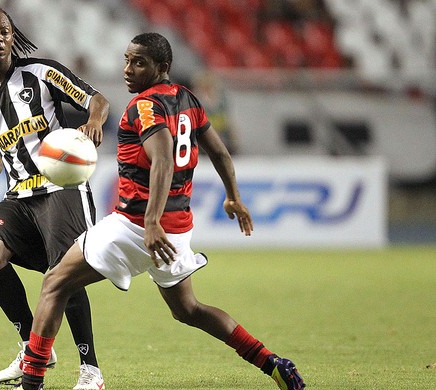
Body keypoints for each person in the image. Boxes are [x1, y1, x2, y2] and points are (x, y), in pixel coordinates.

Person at [17, 32, 305, 390]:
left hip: (137, 226)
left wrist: (150, 221)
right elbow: (219, 152)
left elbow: (163, 161)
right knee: (188, 310)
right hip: (177, 231)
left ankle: (31, 381)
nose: (128, 69)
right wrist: (233, 196)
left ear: (162, 68)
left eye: (139, 63)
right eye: (126, 60)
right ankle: (271, 363)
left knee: (54, 283)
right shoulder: (188, 99)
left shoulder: (144, 107)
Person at [0, 5, 108, 389]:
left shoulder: (42, 74)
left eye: (5, 31)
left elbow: (98, 100)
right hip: (19, 196)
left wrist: (93, 121)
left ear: (13, 37)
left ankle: (90, 371)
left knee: (64, 270)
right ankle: (32, 344)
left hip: (63, 187)